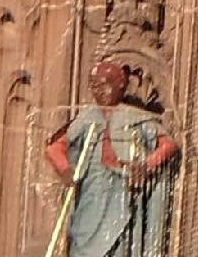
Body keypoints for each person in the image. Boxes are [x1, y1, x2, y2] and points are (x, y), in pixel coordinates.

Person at [44, 60, 178, 257]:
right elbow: (54, 148)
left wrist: (146, 166)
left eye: (105, 85)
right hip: (90, 191)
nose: (100, 91)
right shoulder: (86, 117)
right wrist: (65, 169)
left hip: (122, 190)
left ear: (120, 85)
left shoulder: (134, 117)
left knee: (120, 243)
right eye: (95, 86)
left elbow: (168, 144)